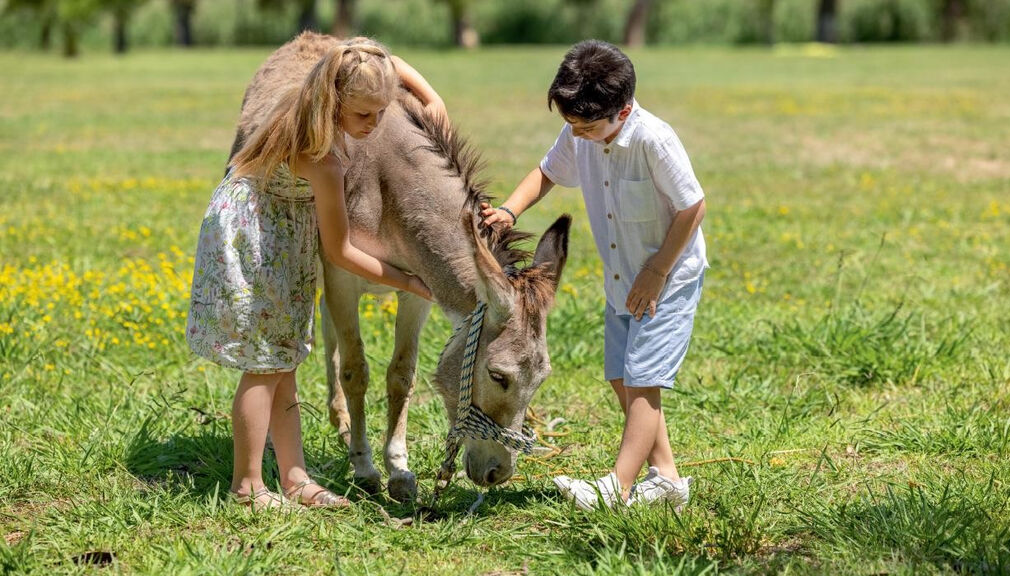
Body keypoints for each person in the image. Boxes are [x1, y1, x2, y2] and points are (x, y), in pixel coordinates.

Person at [187, 37, 442, 510]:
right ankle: (246, 487)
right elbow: (341, 251)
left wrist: (431, 97)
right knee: (264, 367)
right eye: (365, 115)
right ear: (337, 100)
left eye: (383, 112)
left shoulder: (318, 91)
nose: (375, 125)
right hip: (258, 242)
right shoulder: (322, 157)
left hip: (278, 237)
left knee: (284, 364)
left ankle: (295, 478)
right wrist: (406, 281)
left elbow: (386, 64)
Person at [479, 40, 708, 511]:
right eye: (569, 123)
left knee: (644, 380)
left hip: (666, 279)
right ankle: (666, 480)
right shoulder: (579, 133)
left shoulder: (653, 139)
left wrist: (658, 270)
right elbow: (546, 172)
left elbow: (692, 206)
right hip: (621, 279)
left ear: (622, 111)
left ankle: (616, 488)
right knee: (621, 377)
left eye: (585, 125)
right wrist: (508, 210)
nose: (576, 134)